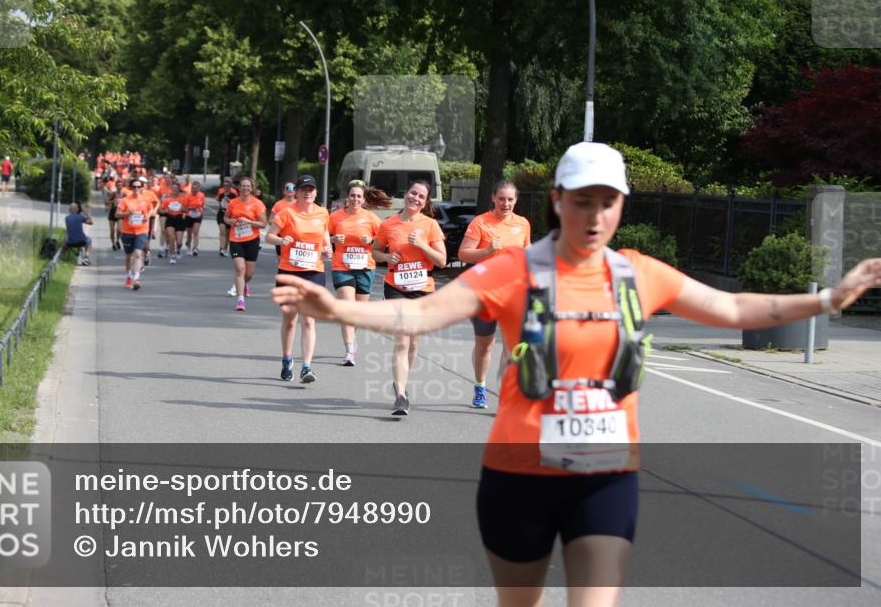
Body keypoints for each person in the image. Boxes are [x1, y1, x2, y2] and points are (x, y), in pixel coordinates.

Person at [271, 141, 881, 607]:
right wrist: (338, 307)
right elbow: (425, 310)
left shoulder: (639, 273)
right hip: (518, 477)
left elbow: (734, 308)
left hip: (605, 477)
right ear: (558, 202)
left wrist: (826, 301)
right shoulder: (513, 269)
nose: (594, 214)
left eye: (607, 202)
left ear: (621, 206)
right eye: (581, 200)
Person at [369, 180, 446, 415]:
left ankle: (402, 381)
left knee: (414, 341)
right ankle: (400, 395)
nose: (416, 198)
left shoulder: (430, 225)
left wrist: (422, 245)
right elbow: (375, 250)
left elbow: (441, 261)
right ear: (406, 194)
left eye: (421, 196)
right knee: (402, 340)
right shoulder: (388, 224)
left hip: (423, 287)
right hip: (396, 286)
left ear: (425, 202)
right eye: (413, 193)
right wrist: (385, 258)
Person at [457, 180, 531, 409]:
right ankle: (480, 386)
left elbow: (527, 251)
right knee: (485, 344)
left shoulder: (523, 223)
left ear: (516, 200)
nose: (505, 203)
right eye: (501, 199)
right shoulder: (481, 222)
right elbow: (463, 254)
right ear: (493, 198)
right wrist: (488, 250)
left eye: (510, 199)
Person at [264, 174, 332, 384]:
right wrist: (281, 240)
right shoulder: (287, 213)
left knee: (309, 319)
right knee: (290, 319)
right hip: (289, 271)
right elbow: (268, 236)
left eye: (311, 189)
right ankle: (287, 359)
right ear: (298, 192)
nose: (308, 193)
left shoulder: (323, 212)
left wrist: (328, 248)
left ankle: (307, 367)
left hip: (314, 270)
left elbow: (324, 234)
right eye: (304, 190)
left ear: (316, 192)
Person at [328, 179, 389, 366]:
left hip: (365, 267)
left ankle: (353, 338)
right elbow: (323, 238)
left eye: (359, 196)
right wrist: (333, 238)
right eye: (352, 195)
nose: (355, 199)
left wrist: (370, 241)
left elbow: (383, 242)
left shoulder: (371, 218)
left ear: (363, 199)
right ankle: (349, 351)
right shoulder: (336, 217)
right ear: (348, 197)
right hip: (342, 267)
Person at [224, 177, 267, 310]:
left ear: (252, 188)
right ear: (239, 188)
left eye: (248, 186)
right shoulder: (233, 203)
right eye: (243, 186)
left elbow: (263, 224)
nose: (245, 188)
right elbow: (226, 217)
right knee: (240, 270)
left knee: (249, 273)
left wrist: (249, 222)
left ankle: (244, 284)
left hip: (252, 240)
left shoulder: (257, 204)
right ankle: (240, 300)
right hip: (236, 239)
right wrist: (230, 221)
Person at [114, 178, 151, 290]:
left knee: (138, 254)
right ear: (131, 188)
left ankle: (136, 278)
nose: (136, 189)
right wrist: (127, 213)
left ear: (141, 188)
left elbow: (150, 211)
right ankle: (129, 276)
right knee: (128, 256)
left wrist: (147, 217)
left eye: (138, 187)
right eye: (134, 187)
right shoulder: (125, 200)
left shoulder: (145, 200)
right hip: (127, 231)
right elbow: (117, 214)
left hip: (141, 230)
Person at [159, 180, 189, 264]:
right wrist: (166, 211)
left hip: (179, 219)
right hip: (170, 219)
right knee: (172, 238)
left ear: (179, 189)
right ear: (171, 189)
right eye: (173, 188)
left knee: (179, 242)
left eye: (176, 188)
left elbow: (187, 209)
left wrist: (182, 209)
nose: (175, 190)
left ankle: (178, 249)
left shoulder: (183, 199)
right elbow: (160, 210)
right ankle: (172, 256)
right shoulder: (167, 199)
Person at [269, 182, 297, 256]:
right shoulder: (278, 204)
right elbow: (271, 220)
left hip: (296, 235)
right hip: (280, 236)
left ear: (296, 191)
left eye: (293, 188)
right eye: (288, 188)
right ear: (284, 191)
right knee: (280, 258)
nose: (290, 190)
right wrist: (279, 225)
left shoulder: (300, 203)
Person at [216, 177, 239, 257]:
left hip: (230, 215)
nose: (225, 187)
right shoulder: (221, 193)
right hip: (221, 214)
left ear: (230, 186)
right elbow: (219, 202)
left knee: (228, 234)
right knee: (222, 231)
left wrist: (229, 200)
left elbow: (236, 204)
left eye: (227, 186)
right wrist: (218, 211)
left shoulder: (233, 193)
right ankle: (222, 248)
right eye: (224, 186)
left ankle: (224, 248)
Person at [184, 181, 207, 256]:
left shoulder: (201, 195)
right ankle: (188, 247)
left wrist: (203, 209)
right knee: (189, 234)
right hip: (189, 216)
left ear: (199, 188)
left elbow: (203, 205)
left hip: (198, 215)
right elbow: (184, 208)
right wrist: (191, 208)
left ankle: (195, 248)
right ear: (191, 188)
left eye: (196, 188)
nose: (194, 189)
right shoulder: (187, 196)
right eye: (193, 188)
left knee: (196, 232)